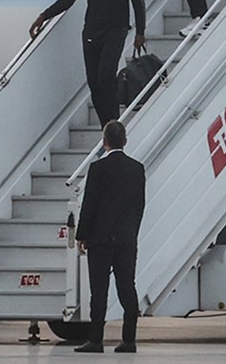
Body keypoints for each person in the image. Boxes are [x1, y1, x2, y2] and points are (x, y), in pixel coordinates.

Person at [29, 0, 146, 128]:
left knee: (106, 75)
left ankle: (114, 123)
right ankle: (106, 127)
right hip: (91, 32)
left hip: (115, 29)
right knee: (94, 83)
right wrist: (44, 16)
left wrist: (140, 32)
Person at [73, 120, 146, 354]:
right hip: (126, 239)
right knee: (127, 288)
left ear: (104, 142)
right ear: (125, 141)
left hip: (100, 239)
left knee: (99, 290)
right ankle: (129, 340)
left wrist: (82, 235)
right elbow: (139, 206)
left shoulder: (97, 169)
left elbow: (90, 205)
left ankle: (96, 340)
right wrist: (131, 232)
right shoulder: (137, 168)